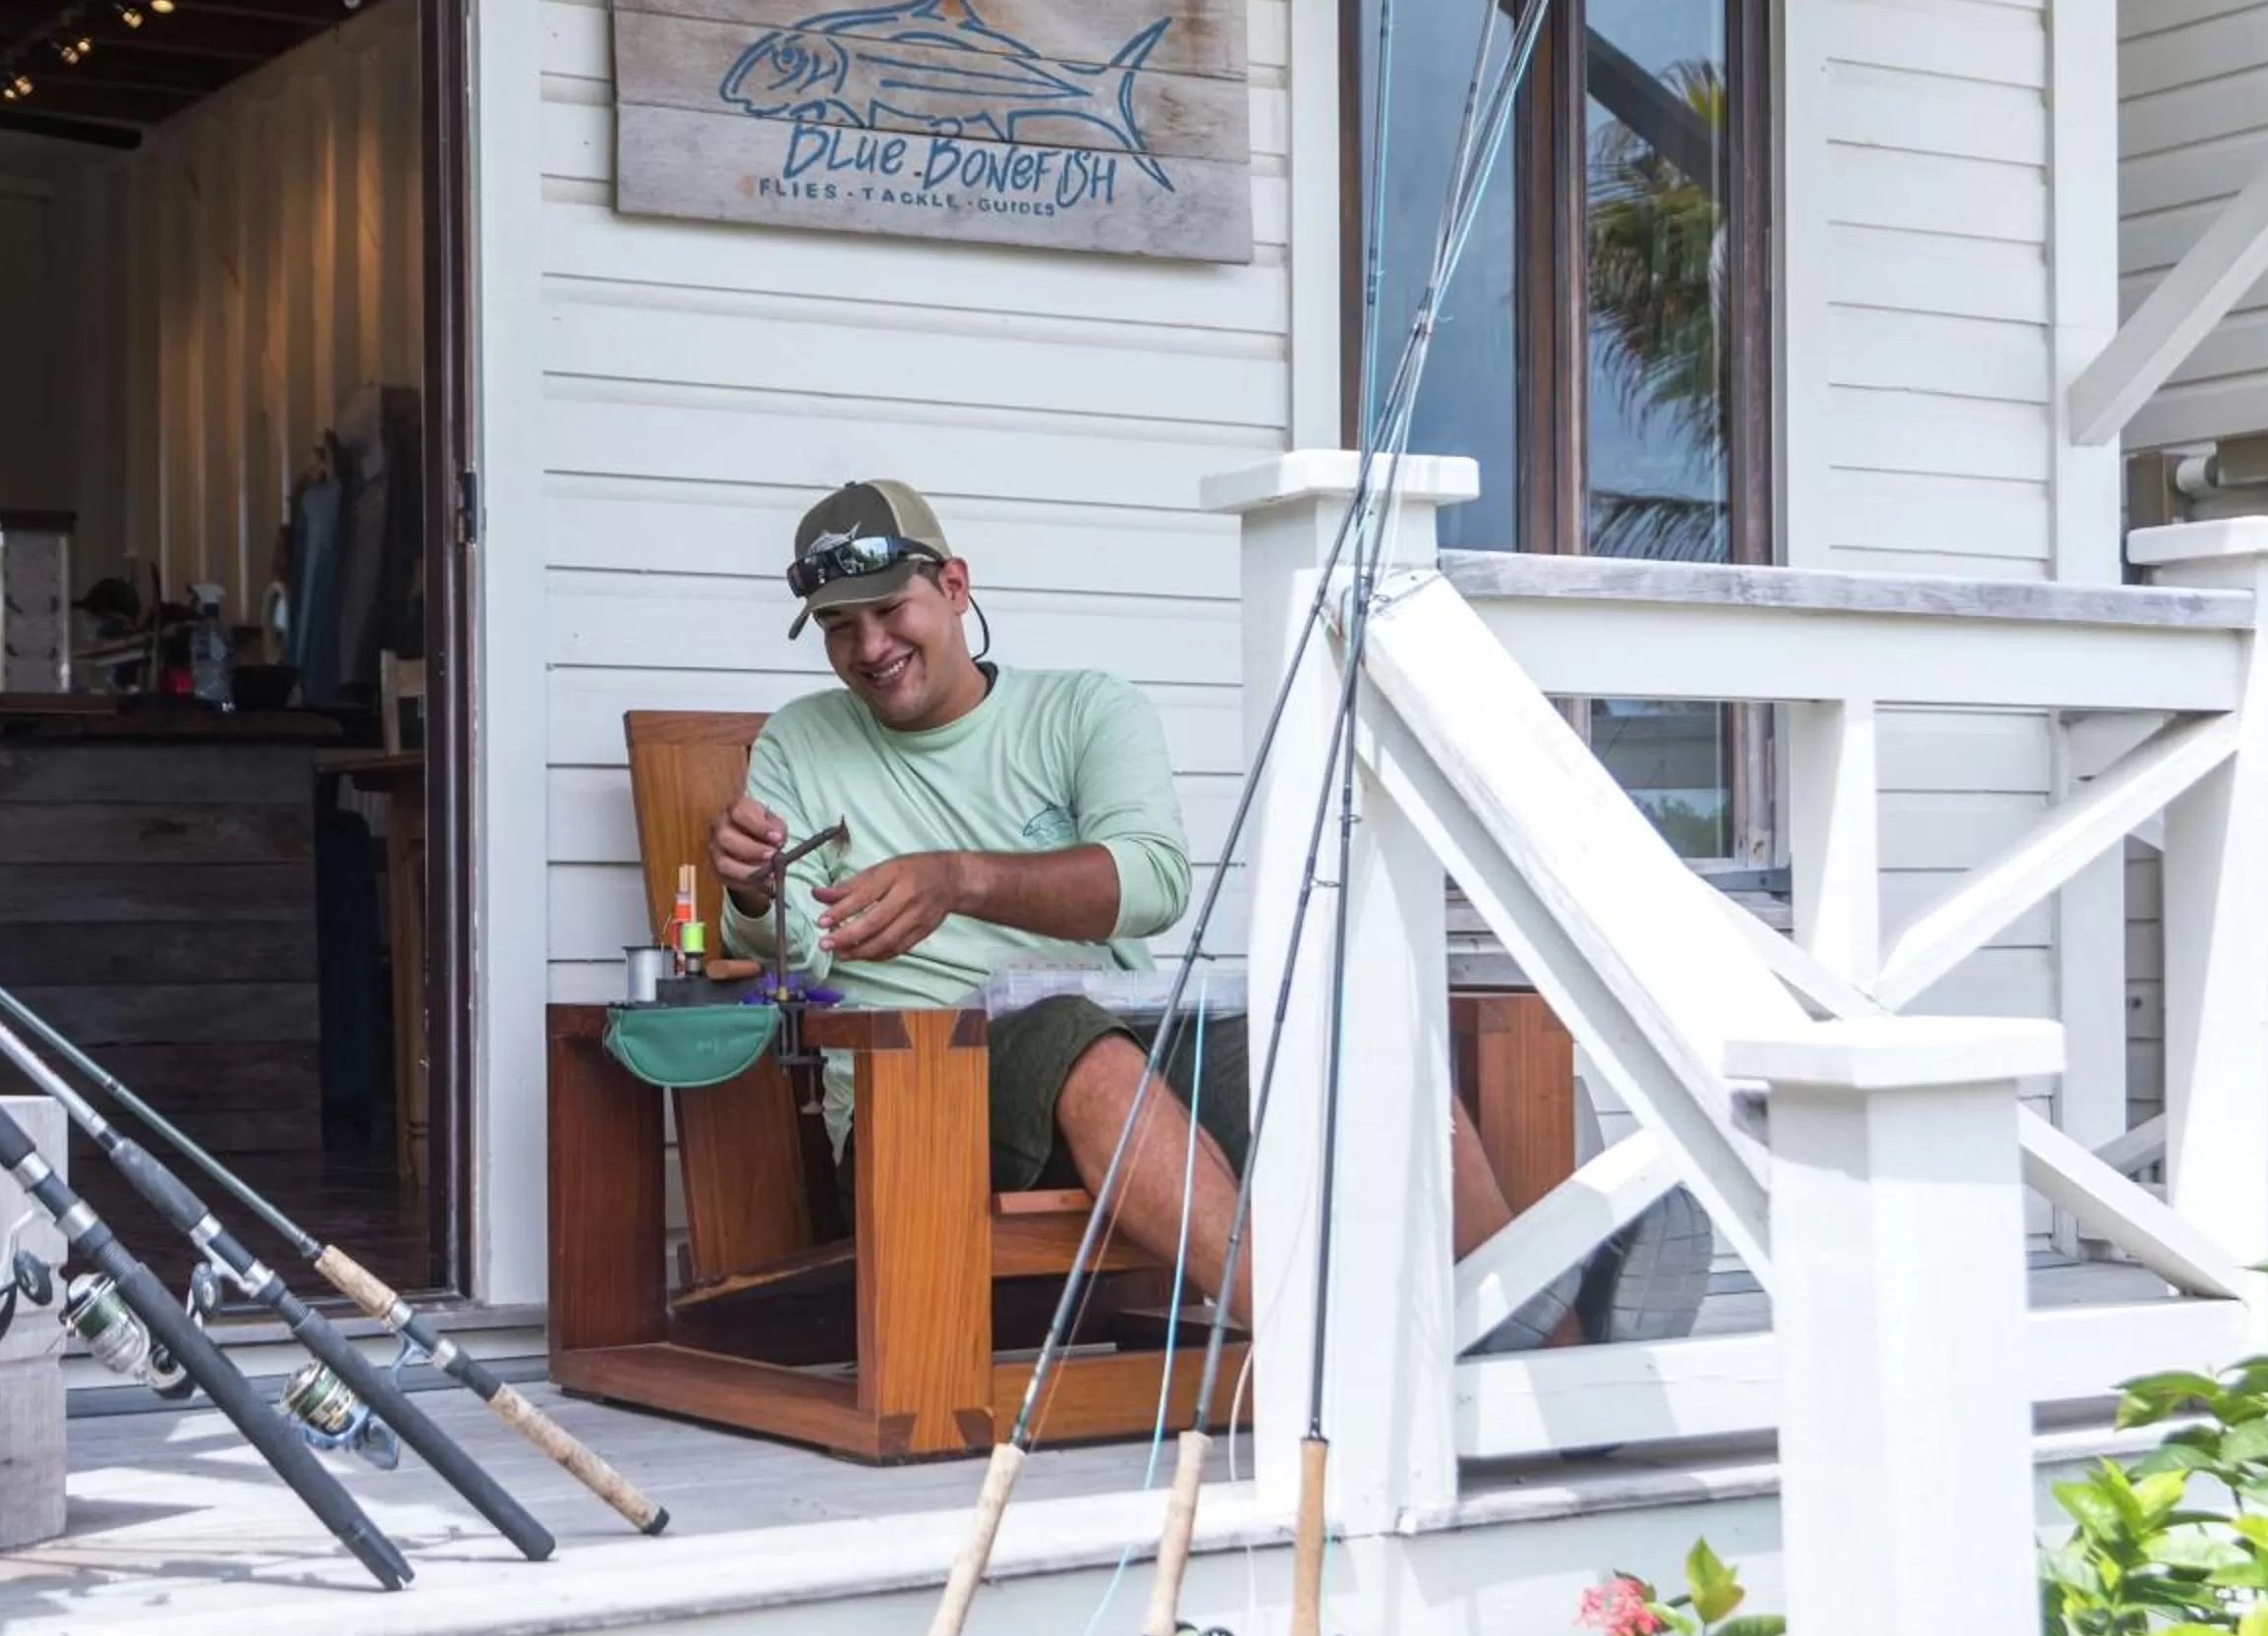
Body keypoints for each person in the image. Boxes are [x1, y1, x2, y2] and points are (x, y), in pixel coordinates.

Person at [709, 479, 1704, 1349]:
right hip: (929, 1090)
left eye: (890, 609)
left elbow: (1153, 883)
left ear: (956, 587)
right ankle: (1314, 1344)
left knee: (1345, 1035)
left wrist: (962, 879)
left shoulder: (1086, 711)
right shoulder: (802, 741)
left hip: (1134, 1041)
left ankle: (1536, 1340)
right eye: (840, 628)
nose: (871, 647)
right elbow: (795, 946)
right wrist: (754, 890)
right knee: (1080, 1046)